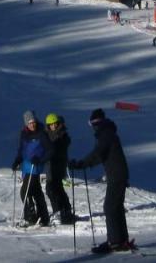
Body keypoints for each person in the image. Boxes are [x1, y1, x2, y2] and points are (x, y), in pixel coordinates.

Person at [69, 108, 130, 254]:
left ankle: (115, 242)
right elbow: (100, 155)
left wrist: (81, 164)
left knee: (110, 207)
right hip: (118, 174)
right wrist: (83, 163)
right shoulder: (107, 133)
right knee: (116, 207)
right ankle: (121, 240)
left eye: (95, 123)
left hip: (117, 175)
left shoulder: (106, 135)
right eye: (92, 124)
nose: (94, 126)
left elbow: (98, 154)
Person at [11, 110, 53, 226]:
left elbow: (50, 150)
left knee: (25, 191)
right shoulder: (24, 134)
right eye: (30, 123)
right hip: (26, 166)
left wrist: (40, 159)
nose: (32, 124)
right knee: (35, 190)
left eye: (33, 122)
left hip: (35, 166)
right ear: (26, 124)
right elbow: (21, 150)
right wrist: (17, 160)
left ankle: (30, 215)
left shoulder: (41, 133)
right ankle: (43, 216)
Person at [44, 113, 75, 224]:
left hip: (58, 165)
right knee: (57, 188)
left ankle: (59, 212)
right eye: (50, 125)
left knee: (51, 189)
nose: (53, 126)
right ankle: (65, 210)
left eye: (55, 124)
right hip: (50, 166)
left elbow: (58, 148)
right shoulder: (47, 135)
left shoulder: (62, 135)